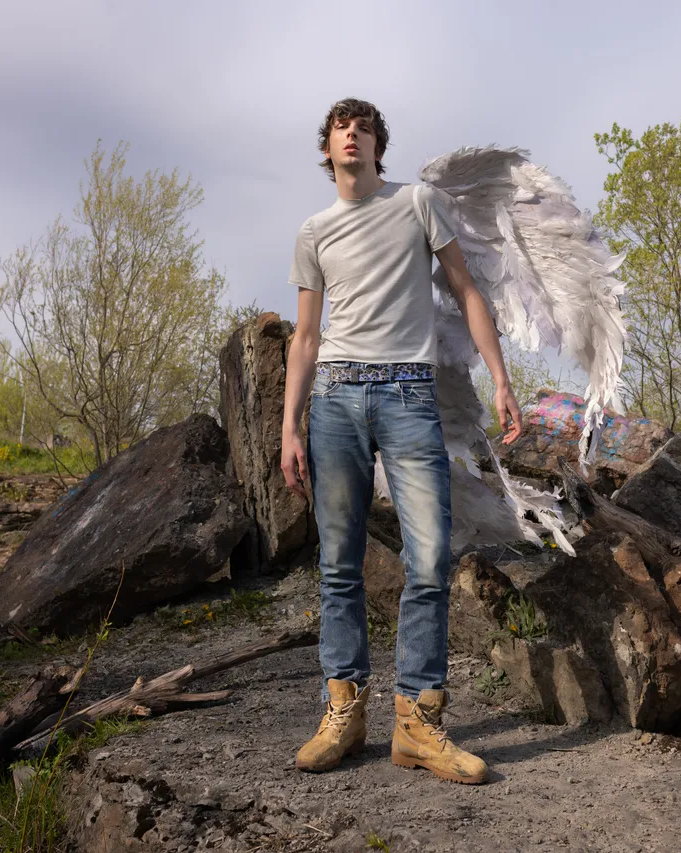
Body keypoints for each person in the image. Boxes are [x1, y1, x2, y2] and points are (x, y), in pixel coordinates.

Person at [280, 98, 522, 785]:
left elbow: (466, 291)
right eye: (341, 128)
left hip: (409, 394)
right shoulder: (314, 231)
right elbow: (306, 336)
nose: (352, 135)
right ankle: (344, 713)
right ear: (327, 148)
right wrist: (289, 426)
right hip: (335, 398)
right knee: (339, 562)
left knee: (430, 557)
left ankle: (418, 723)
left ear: (378, 146)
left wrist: (501, 379)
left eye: (364, 128)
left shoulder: (417, 203)